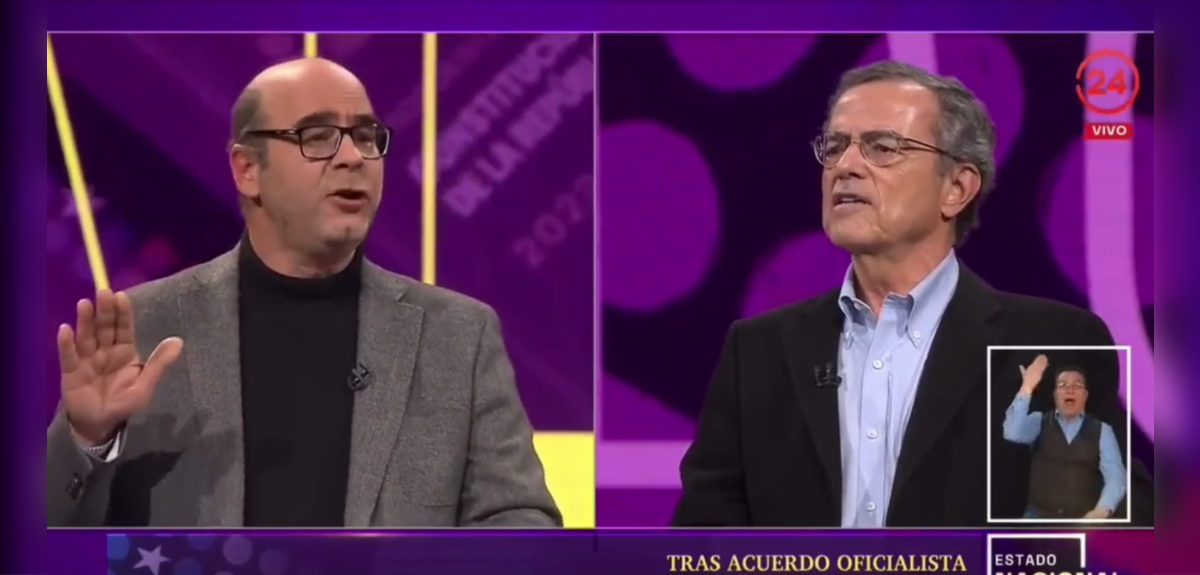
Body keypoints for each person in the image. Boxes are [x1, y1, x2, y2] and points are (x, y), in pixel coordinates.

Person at [46, 58, 561, 528]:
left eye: (366, 136)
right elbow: (42, 538)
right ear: (248, 170)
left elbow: (522, 520)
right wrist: (88, 440)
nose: (353, 157)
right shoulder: (145, 328)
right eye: (318, 137)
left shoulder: (457, 336)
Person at [671, 60, 1151, 527]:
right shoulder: (758, 350)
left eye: (882, 147)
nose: (845, 166)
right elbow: (702, 541)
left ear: (956, 188)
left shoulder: (1052, 344)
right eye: (835, 146)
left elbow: (1120, 533)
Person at [1003, 356, 1127, 520]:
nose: (1070, 390)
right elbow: (1012, 432)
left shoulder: (1102, 431)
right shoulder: (1039, 422)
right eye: (1063, 385)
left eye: (1077, 385)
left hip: (1082, 520)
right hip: (1038, 518)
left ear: (1085, 395)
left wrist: (1102, 510)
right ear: (1055, 395)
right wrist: (1027, 387)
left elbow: (1116, 477)